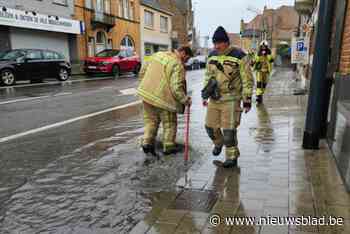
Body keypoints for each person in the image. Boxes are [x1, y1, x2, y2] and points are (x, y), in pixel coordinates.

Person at [202, 26, 254, 168]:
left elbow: (247, 79)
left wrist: (247, 100)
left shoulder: (239, 55)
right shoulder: (212, 55)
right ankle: (218, 144)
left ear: (226, 42)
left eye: (219, 43)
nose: (216, 46)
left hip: (231, 99)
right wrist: (205, 94)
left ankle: (231, 157)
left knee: (229, 130)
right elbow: (208, 76)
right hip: (215, 98)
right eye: (214, 43)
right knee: (209, 127)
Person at [137, 46, 193, 155]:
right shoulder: (177, 64)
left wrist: (145, 86)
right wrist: (185, 100)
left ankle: (147, 143)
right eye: (187, 58)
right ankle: (168, 147)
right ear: (183, 53)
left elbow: (142, 71)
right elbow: (176, 87)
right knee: (170, 124)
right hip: (164, 99)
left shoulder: (157, 55)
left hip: (147, 95)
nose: (186, 61)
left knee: (150, 121)